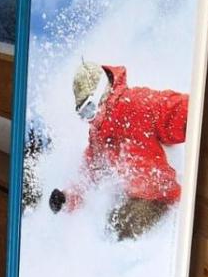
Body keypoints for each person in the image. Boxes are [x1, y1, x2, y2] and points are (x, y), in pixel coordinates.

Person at [48, 61, 188, 240]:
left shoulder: (140, 106)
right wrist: (66, 198)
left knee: (123, 228)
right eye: (82, 114)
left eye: (89, 109)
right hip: (135, 194)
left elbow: (186, 109)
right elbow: (91, 173)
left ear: (102, 93)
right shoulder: (98, 134)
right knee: (109, 222)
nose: (89, 119)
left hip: (164, 195)